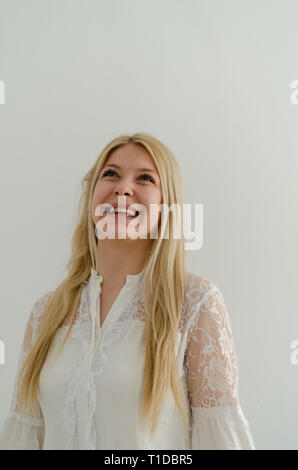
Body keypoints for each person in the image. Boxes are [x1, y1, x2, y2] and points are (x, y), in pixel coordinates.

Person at [0, 132, 256, 450]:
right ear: (92, 194)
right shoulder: (46, 312)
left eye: (145, 178)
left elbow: (218, 441)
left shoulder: (195, 303)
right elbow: (25, 438)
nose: (123, 188)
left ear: (166, 207)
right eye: (111, 174)